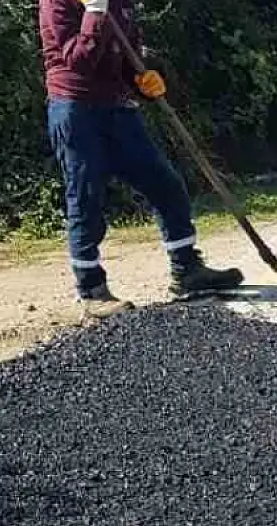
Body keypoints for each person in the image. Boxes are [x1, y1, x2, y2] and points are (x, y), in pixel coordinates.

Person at [39, 0, 244, 318]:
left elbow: (126, 61)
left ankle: (187, 269)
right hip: (75, 109)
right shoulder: (58, 2)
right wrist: (94, 13)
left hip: (117, 109)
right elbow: (79, 62)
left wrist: (143, 83)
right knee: (86, 197)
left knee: (164, 183)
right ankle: (92, 290)